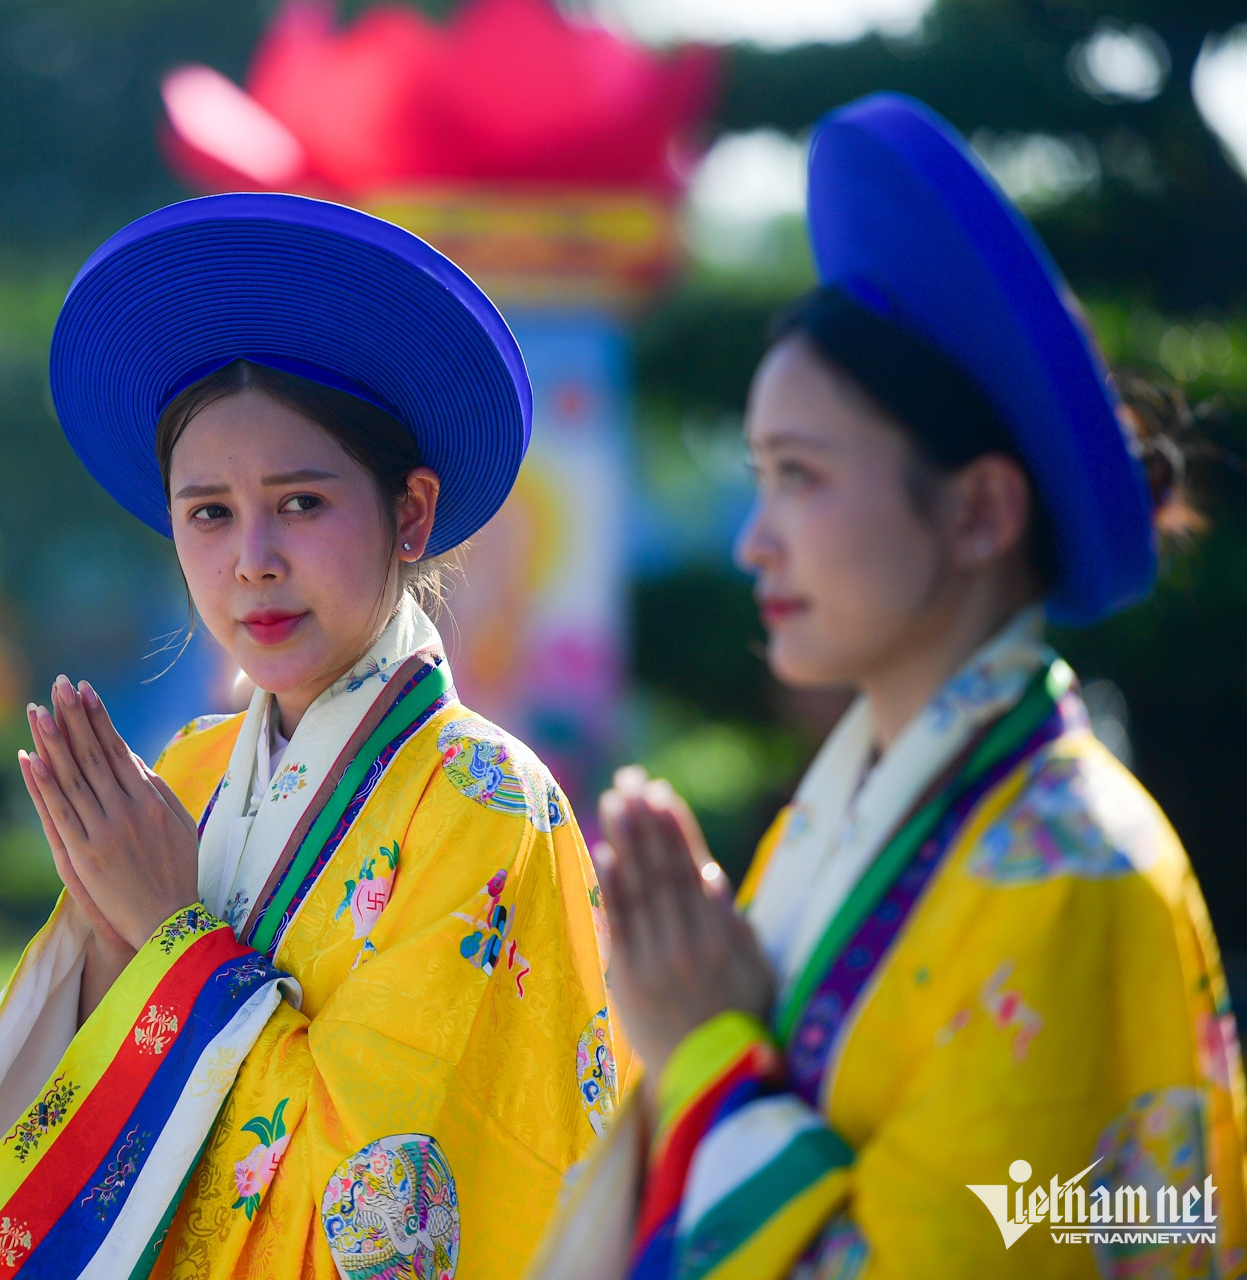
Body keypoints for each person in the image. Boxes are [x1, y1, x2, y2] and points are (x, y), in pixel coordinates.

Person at [529, 93, 1244, 1280]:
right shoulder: (854, 816)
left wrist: (706, 1052)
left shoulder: (1079, 873)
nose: (755, 540)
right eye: (757, 478)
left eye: (800, 477)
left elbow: (1026, 1246)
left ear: (977, 510)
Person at [0, 193, 618, 1280]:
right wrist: (99, 949)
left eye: (304, 503)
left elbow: (393, 1216)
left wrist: (171, 941)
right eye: (209, 512)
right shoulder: (186, 771)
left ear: (411, 512)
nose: (252, 560)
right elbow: (50, 1136)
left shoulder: (484, 803)